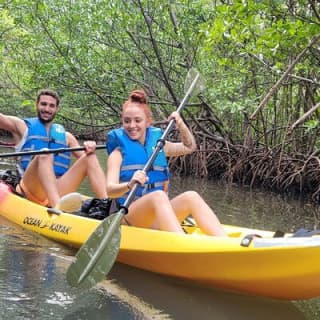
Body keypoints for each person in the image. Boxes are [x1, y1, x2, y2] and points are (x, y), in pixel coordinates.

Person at [105, 89, 227, 236]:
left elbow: (189, 147)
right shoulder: (117, 154)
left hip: (156, 219)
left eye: (138, 120)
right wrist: (129, 184)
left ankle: (224, 241)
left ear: (148, 122)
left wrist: (181, 125)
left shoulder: (159, 147)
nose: (132, 125)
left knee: (191, 196)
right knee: (158, 196)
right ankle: (182, 245)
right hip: (129, 217)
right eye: (127, 121)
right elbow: (110, 191)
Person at [0, 88, 108, 211]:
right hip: (30, 188)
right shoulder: (21, 127)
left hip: (58, 188)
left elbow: (91, 165)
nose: (47, 109)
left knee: (90, 156)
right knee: (45, 153)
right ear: (37, 105)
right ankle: (58, 208)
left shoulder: (67, 137)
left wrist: (90, 146)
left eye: (51, 106)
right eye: (43, 104)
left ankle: (106, 204)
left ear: (57, 109)